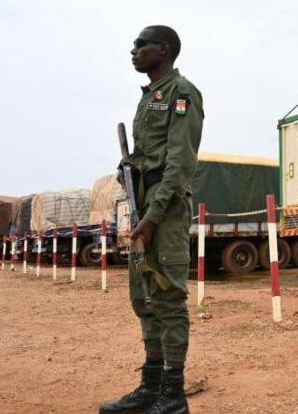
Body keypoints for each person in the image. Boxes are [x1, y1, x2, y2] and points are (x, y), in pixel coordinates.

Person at [100, 25, 204, 414]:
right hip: (142, 209)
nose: (134, 50)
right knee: (144, 296)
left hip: (166, 212)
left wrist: (154, 217)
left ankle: (173, 395)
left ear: (164, 49)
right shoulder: (148, 100)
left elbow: (179, 164)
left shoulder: (182, 93)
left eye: (141, 44)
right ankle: (151, 385)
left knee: (168, 297)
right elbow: (149, 157)